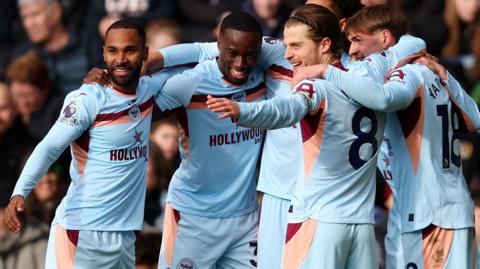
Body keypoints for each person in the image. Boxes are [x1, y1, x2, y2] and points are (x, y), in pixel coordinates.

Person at [207, 4, 425, 268]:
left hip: (319, 222)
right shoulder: (371, 73)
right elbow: (412, 42)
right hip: (362, 224)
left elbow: (284, 110)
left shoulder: (315, 86)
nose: (288, 55)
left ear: (324, 44)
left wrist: (242, 111)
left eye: (296, 46)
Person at [3, 19, 186, 268]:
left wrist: (161, 58)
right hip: (81, 232)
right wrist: (20, 192)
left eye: (130, 50)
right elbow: (49, 147)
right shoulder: (88, 98)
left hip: (125, 235)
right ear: (103, 53)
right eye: (112, 51)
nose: (120, 59)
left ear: (144, 53)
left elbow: (199, 63)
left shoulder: (148, 90)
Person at [313, 6, 480, 268]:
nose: (353, 51)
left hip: (431, 216)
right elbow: (476, 119)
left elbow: (384, 98)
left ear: (385, 38)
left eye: (357, 40)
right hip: (431, 210)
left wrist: (326, 72)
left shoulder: (407, 73)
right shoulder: (433, 71)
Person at [153, 12, 265, 269]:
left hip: (246, 217)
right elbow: (136, 113)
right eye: (232, 53)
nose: (240, 63)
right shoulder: (190, 82)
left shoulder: (263, 75)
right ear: (217, 45)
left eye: (249, 55)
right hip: (194, 216)